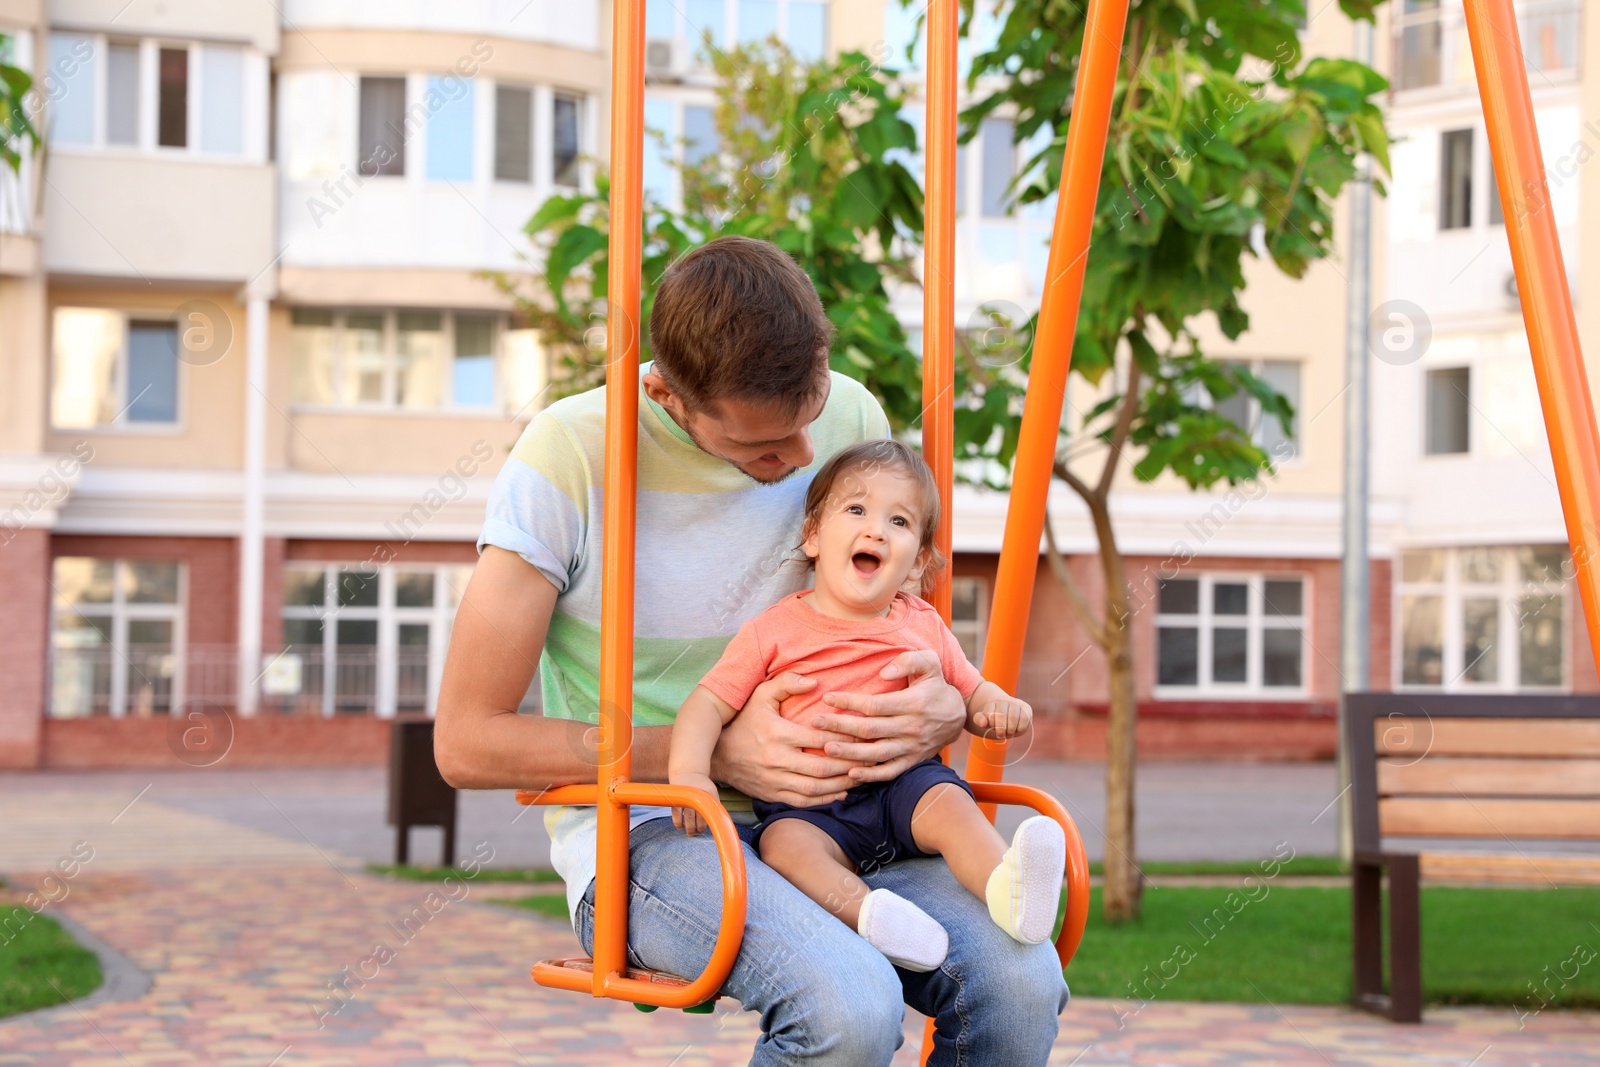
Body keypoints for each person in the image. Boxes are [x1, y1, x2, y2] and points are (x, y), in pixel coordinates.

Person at [435, 235, 1068, 1067]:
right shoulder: (569, 457)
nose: (805, 457)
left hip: (850, 815)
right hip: (658, 829)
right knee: (849, 1004)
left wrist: (945, 704)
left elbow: (905, 624)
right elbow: (466, 740)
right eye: (763, 449)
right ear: (665, 394)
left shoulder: (850, 417)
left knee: (1019, 983)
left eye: (810, 421)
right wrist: (712, 754)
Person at [668, 440, 1067, 973]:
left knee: (952, 806)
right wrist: (690, 775)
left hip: (906, 786)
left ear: (917, 561)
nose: (876, 529)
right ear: (813, 536)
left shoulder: (920, 623)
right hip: (809, 806)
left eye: (898, 522)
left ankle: (1010, 888)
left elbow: (971, 691)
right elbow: (706, 705)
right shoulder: (774, 630)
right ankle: (873, 917)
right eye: (855, 510)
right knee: (785, 847)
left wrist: (999, 707)